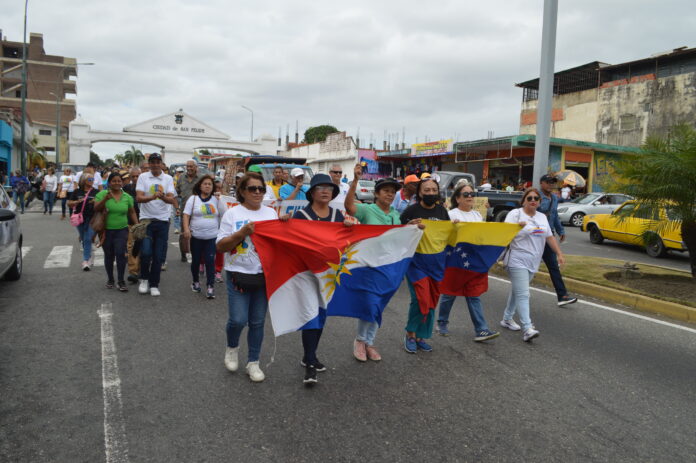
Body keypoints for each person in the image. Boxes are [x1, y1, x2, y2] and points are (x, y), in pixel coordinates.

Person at [344, 164, 413, 362]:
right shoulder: (367, 210)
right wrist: (355, 181)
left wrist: (411, 228)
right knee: (370, 302)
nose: (390, 195)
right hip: (369, 265)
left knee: (379, 304)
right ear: (377, 194)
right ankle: (360, 340)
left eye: (393, 192)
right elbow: (349, 207)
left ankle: (369, 341)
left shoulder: (395, 214)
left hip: (388, 266)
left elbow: (398, 236)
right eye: (386, 191)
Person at [217, 172, 279, 383]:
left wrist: (286, 224)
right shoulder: (232, 214)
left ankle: (253, 362)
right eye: (252, 189)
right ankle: (232, 347)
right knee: (238, 319)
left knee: (258, 322)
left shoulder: (272, 214)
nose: (257, 192)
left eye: (260, 189)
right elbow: (221, 246)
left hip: (264, 276)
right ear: (242, 191)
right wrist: (240, 234)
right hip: (238, 275)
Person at [291, 173, 352, 386]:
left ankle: (310, 355)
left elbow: (348, 242)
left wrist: (351, 227)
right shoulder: (300, 215)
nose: (325, 191)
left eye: (329, 188)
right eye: (320, 188)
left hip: (328, 275)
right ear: (312, 192)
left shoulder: (338, 216)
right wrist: (282, 222)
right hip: (307, 275)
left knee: (321, 317)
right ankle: (309, 363)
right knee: (311, 317)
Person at [436, 182, 499, 341]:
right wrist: (452, 228)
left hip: (473, 262)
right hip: (456, 261)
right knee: (449, 293)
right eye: (466, 194)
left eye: (472, 194)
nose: (470, 196)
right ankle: (442, 321)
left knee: (473, 294)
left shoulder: (477, 215)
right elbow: (444, 236)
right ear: (457, 198)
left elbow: (481, 236)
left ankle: (481, 329)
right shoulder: (451, 214)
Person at [501, 188, 566, 341]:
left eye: (536, 198)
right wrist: (519, 228)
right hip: (516, 259)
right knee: (523, 293)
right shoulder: (515, 214)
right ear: (523, 200)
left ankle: (507, 318)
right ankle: (527, 328)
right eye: (529, 198)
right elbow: (505, 233)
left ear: (539, 202)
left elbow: (549, 237)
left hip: (533, 261)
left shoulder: (542, 217)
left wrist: (559, 254)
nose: (533, 200)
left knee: (517, 291)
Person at [400, 177, 450, 354]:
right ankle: (410, 334)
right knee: (420, 299)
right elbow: (398, 234)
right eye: (426, 190)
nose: (430, 193)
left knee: (431, 302)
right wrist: (408, 226)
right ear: (420, 192)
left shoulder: (443, 212)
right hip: (416, 263)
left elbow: (447, 235)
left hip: (436, 263)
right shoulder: (411, 211)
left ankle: (421, 336)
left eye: (433, 190)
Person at [135, 153, 178, 296]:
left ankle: (154, 284)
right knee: (146, 252)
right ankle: (144, 279)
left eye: (157, 162)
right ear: (149, 164)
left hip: (162, 221)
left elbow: (171, 199)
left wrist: (163, 197)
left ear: (161, 163)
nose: (154, 164)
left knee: (158, 256)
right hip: (146, 220)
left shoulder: (168, 178)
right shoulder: (143, 177)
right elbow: (139, 198)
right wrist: (152, 197)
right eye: (152, 162)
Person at [538, 174, 577, 306]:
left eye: (553, 182)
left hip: (548, 238)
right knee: (528, 267)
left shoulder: (554, 198)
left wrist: (561, 231)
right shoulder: (534, 197)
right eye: (548, 182)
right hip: (535, 237)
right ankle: (519, 292)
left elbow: (554, 216)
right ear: (541, 183)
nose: (551, 185)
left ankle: (562, 296)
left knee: (553, 266)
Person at [94, 173, 138, 291]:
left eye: (119, 181)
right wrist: (105, 199)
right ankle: (110, 279)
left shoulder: (127, 197)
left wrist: (137, 224)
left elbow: (132, 212)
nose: (117, 183)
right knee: (109, 255)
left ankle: (120, 280)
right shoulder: (102, 194)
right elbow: (96, 208)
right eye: (114, 181)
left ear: (122, 183)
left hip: (122, 230)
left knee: (121, 254)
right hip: (106, 231)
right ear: (109, 183)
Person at [183, 175, 222, 299]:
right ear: (200, 186)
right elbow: (186, 215)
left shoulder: (217, 200)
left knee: (210, 261)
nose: (207, 186)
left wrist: (221, 198)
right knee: (195, 261)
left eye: (210, 184)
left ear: (213, 187)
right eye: (205, 183)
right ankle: (195, 282)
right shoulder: (193, 199)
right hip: (196, 237)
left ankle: (210, 286)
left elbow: (225, 214)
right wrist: (186, 229)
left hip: (212, 237)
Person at [68, 173, 99, 270]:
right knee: (83, 238)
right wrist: (77, 202)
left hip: (92, 218)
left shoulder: (96, 191)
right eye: (89, 179)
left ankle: (85, 260)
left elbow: (101, 204)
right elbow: (69, 203)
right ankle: (89, 256)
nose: (92, 181)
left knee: (87, 238)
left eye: (92, 179)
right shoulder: (77, 191)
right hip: (80, 218)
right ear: (84, 181)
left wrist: (95, 202)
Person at [176, 160, 204, 262]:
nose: (189, 168)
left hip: (198, 211)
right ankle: (183, 253)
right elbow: (177, 191)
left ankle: (196, 253)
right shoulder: (181, 177)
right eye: (187, 166)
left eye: (191, 166)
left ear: (196, 167)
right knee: (184, 233)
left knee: (196, 233)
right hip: (184, 211)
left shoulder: (201, 178)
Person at [122, 167, 141, 283]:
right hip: (129, 222)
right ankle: (133, 272)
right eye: (132, 176)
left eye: (137, 176)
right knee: (130, 246)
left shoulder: (146, 188)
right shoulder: (126, 188)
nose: (135, 178)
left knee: (143, 247)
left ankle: (143, 269)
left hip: (144, 221)